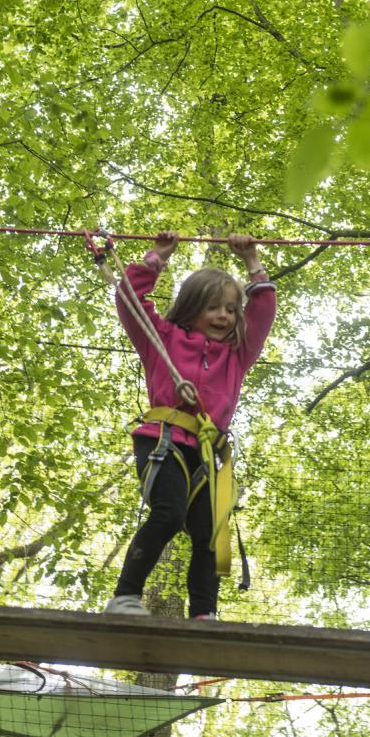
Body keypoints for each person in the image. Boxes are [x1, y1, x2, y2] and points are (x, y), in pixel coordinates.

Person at [105, 230, 276, 618]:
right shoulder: (161, 339)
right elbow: (130, 301)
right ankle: (125, 596)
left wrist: (252, 261)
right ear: (191, 307)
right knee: (168, 513)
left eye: (231, 310)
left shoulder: (237, 354)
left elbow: (263, 312)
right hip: (162, 439)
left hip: (206, 451)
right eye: (214, 307)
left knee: (209, 534)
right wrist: (157, 258)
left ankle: (204, 614)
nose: (224, 317)